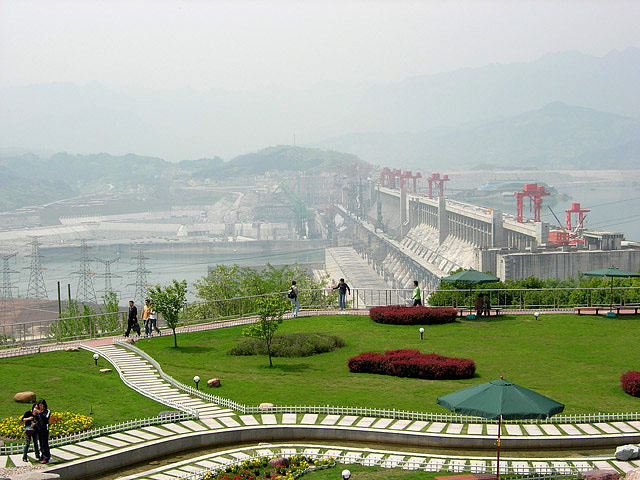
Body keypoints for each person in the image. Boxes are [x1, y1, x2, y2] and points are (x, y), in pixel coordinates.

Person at [35, 399, 50, 464]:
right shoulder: (39, 412)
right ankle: (42, 455)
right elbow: (36, 419)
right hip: (39, 429)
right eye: (39, 405)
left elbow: (46, 418)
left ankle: (46, 457)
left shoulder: (47, 411)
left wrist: (40, 413)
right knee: (41, 443)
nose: (40, 407)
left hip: (45, 429)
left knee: (45, 444)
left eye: (41, 405)